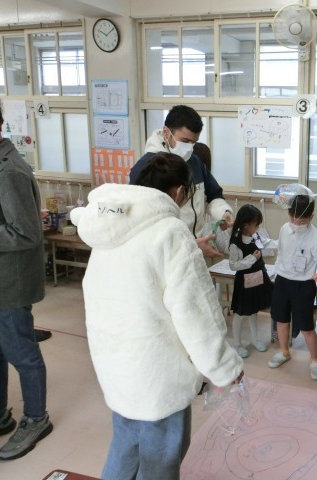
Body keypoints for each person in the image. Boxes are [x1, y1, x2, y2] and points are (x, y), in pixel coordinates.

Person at [70, 152, 244, 479]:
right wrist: (223, 367)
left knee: (125, 445)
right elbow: (196, 314)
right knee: (160, 459)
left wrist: (190, 244)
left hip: (115, 364)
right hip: (158, 373)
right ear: (179, 191)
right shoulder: (171, 233)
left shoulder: (107, 227)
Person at [0, 97, 53, 461]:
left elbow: (26, 233)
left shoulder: (9, 172)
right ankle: (0, 415)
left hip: (10, 284)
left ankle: (36, 418)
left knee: (21, 352)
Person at [129, 105, 232, 258]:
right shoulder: (147, 167)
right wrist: (190, 246)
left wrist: (224, 213)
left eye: (194, 142)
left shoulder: (195, 162)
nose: (189, 148)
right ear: (166, 133)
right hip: (165, 252)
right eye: (185, 141)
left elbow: (214, 194)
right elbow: (142, 223)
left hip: (195, 245)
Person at [268, 191, 317, 381]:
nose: (296, 222)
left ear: (311, 217)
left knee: (306, 326)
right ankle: (284, 351)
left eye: (301, 220)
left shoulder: (316, 237)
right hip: (282, 281)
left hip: (304, 284)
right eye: (292, 217)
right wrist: (277, 270)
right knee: (281, 320)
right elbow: (281, 252)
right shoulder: (284, 229)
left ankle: (314, 359)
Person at [228, 204, 276, 358]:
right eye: (256, 224)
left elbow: (266, 243)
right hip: (245, 282)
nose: (258, 227)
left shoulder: (255, 236)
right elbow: (233, 265)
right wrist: (251, 258)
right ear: (246, 224)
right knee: (240, 313)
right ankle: (237, 344)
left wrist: (283, 242)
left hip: (258, 278)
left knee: (253, 311)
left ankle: (254, 339)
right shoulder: (235, 243)